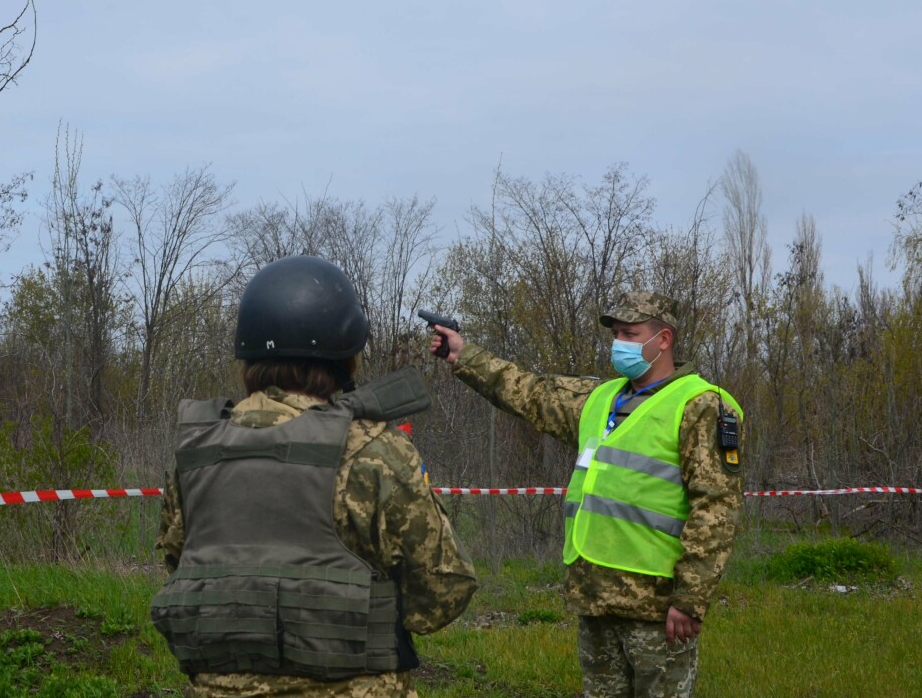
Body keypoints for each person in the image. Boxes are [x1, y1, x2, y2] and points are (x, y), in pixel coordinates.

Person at [152, 255, 478, 698]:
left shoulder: (197, 452)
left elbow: (179, 566)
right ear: (345, 355)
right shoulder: (373, 450)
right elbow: (441, 593)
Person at [430, 291, 742, 698]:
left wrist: (690, 598)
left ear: (663, 339)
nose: (620, 343)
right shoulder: (601, 399)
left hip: (656, 608)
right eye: (616, 334)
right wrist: (463, 354)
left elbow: (715, 508)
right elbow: (530, 392)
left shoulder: (701, 406)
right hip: (595, 597)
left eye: (631, 333)